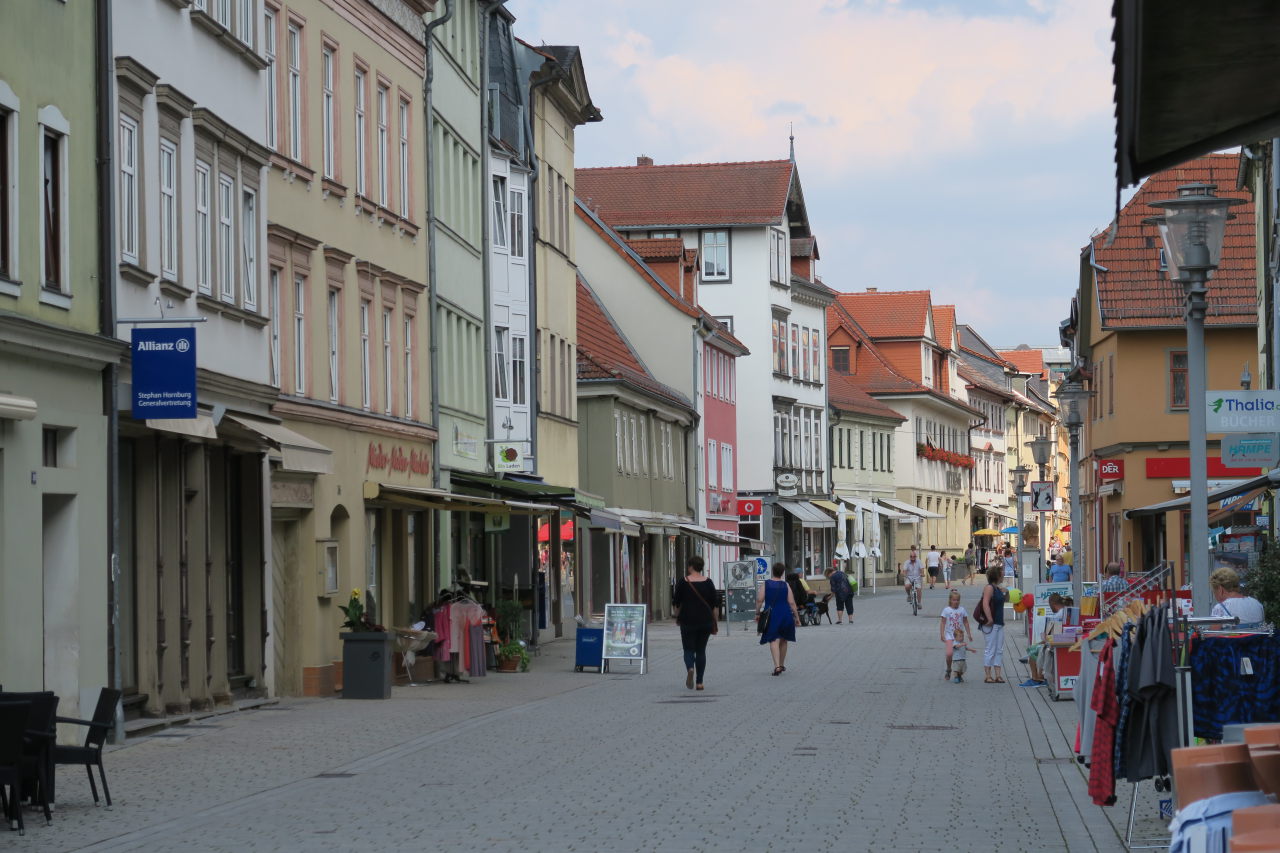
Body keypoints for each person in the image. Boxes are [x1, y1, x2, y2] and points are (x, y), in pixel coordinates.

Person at [672, 556, 717, 691]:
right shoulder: (708, 582)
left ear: (691, 566)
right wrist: (714, 621)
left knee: (688, 649)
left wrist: (677, 616)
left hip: (687, 620)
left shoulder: (683, 582)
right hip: (705, 621)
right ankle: (699, 682)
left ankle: (690, 668)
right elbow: (715, 605)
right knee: (701, 650)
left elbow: (676, 602)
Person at [758, 562, 800, 675]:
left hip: (772, 615)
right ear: (782, 573)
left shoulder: (766, 584)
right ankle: (781, 664)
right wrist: (797, 617)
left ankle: (777, 666)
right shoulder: (786, 585)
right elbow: (792, 602)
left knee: (773, 639)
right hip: (785, 614)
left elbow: (759, 600)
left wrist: (757, 613)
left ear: (772, 571)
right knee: (784, 639)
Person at [1021, 593, 1066, 686]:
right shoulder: (1065, 611)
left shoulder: (1058, 615)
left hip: (1056, 643)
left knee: (1032, 650)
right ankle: (1040, 676)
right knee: (1039, 647)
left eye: (1050, 605)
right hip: (1061, 640)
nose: (1050, 607)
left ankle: (1035, 678)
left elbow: (1052, 633)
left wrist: (1043, 640)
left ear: (1053, 603)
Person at [977, 565, 1007, 683]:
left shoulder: (997, 588)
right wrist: (989, 619)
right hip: (991, 623)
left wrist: (1006, 592)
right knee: (990, 648)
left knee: (999, 649)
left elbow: (1005, 601)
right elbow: (985, 603)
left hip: (999, 622)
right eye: (1002, 573)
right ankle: (988, 675)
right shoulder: (989, 588)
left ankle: (998, 675)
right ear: (997, 575)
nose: (1003, 574)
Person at [939, 589, 972, 682]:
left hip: (959, 637)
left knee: (960, 656)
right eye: (954, 600)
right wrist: (942, 634)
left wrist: (969, 634)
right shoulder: (946, 610)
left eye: (957, 600)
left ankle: (958, 674)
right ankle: (949, 669)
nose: (956, 602)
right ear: (950, 600)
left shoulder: (962, 610)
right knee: (949, 654)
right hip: (949, 636)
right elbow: (943, 622)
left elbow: (966, 622)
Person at [902, 548, 924, 612]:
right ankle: (909, 595)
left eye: (914, 556)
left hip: (917, 577)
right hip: (909, 577)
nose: (912, 558)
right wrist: (904, 574)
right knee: (907, 586)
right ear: (910, 557)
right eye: (911, 556)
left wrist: (922, 573)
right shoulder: (907, 562)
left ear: (916, 557)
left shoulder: (919, 562)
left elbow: (922, 569)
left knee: (919, 589)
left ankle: (919, 603)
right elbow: (904, 570)